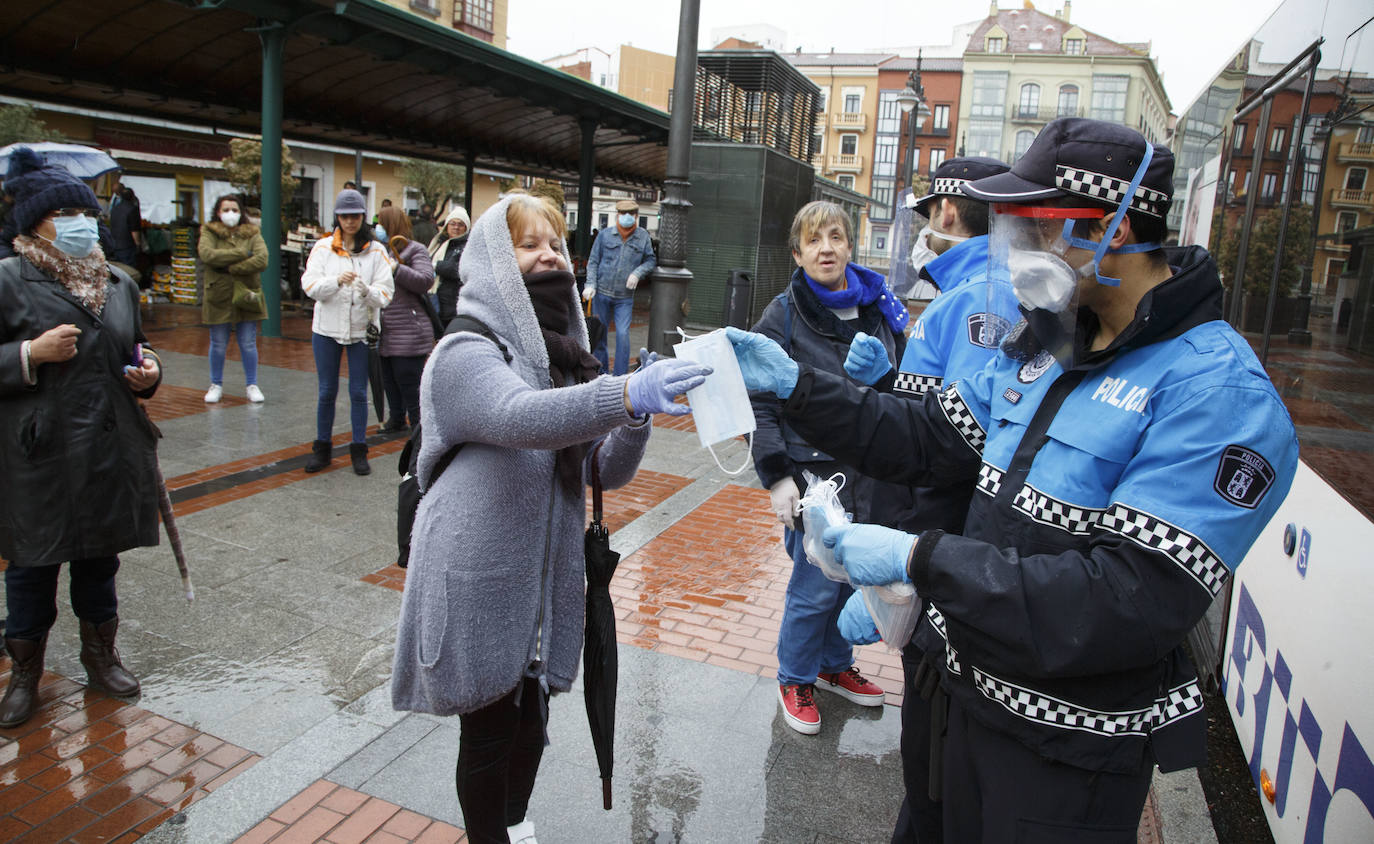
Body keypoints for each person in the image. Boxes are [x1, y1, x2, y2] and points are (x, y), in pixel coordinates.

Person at [727, 118, 1300, 840]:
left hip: (1060, 755)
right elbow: (931, 439)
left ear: (1114, 230)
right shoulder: (1050, 338)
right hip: (952, 700)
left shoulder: (1215, 393)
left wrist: (919, 560)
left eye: (1035, 226)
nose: (1016, 249)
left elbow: (1128, 598)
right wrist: (798, 387)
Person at [390, 193, 710, 844]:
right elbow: (520, 419)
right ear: (491, 258)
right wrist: (621, 393)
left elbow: (601, 469)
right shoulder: (464, 350)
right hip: (475, 573)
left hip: (540, 577)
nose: (547, 255)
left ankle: (511, 825)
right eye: (527, 243)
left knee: (531, 725)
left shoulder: (564, 359)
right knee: (488, 730)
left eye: (556, 244)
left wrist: (635, 414)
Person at [841, 156, 1013, 844]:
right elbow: (943, 406)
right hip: (941, 543)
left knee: (933, 762)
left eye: (923, 217)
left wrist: (898, 573)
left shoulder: (981, 295)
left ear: (945, 213)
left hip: (940, 546)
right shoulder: (969, 289)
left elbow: (954, 455)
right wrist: (890, 378)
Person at [0, 147, 163, 727]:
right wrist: (28, 354)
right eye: (68, 213)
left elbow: (138, 347)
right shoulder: (7, 279)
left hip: (105, 450)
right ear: (35, 221)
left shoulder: (117, 282)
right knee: (31, 568)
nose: (83, 223)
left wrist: (149, 374)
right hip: (38, 454)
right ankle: (24, 674)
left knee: (100, 562)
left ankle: (101, 657)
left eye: (87, 213)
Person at [750, 200, 908, 736]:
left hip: (871, 469)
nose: (826, 248)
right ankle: (795, 675)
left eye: (836, 237)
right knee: (814, 586)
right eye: (814, 240)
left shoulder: (882, 308)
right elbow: (761, 400)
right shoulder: (784, 314)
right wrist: (775, 475)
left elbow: (903, 385)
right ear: (797, 253)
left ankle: (834, 666)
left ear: (848, 247)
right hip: (814, 476)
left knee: (852, 579)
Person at [301, 188, 395, 475]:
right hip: (326, 330)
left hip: (361, 331)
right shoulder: (323, 248)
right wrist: (335, 282)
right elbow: (310, 286)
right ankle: (323, 448)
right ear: (337, 217)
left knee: (358, 392)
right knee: (327, 390)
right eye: (344, 216)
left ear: (363, 217)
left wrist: (367, 291)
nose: (350, 221)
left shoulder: (376, 251)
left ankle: (359, 449)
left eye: (355, 216)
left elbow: (385, 292)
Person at [199, 193, 269, 404]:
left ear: (242, 212)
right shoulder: (209, 231)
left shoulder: (252, 233)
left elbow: (262, 258)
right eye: (226, 209)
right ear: (218, 212)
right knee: (218, 343)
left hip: (246, 294)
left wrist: (232, 268)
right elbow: (207, 255)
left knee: (248, 343)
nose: (231, 214)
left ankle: (252, 384)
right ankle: (216, 384)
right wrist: (242, 253)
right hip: (218, 294)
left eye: (235, 210)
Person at [377, 205, 436, 433]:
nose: (378, 228)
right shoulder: (377, 250)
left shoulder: (415, 250)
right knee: (389, 379)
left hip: (409, 330)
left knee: (409, 380)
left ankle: (419, 426)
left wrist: (397, 269)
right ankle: (397, 418)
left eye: (382, 223)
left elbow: (424, 280)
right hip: (385, 329)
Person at [583, 198, 655, 375]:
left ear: (637, 216)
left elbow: (651, 260)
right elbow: (593, 261)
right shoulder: (605, 235)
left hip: (625, 297)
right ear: (618, 214)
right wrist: (590, 284)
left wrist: (637, 273)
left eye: (631, 213)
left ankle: (620, 376)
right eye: (624, 213)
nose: (627, 216)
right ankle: (601, 373)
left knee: (623, 335)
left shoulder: (642, 237)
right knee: (600, 336)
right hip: (602, 293)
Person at [428, 205, 471, 326]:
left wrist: (436, 265)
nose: (456, 227)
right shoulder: (438, 243)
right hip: (435, 300)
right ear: (447, 226)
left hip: (453, 305)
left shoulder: (468, 247)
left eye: (460, 224)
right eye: (452, 223)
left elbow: (459, 269)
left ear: (466, 228)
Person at [107, 186, 142, 266]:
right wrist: (138, 244)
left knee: (119, 270)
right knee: (128, 270)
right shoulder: (133, 209)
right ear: (133, 197)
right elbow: (134, 230)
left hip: (115, 244)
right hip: (127, 245)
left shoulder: (114, 209)